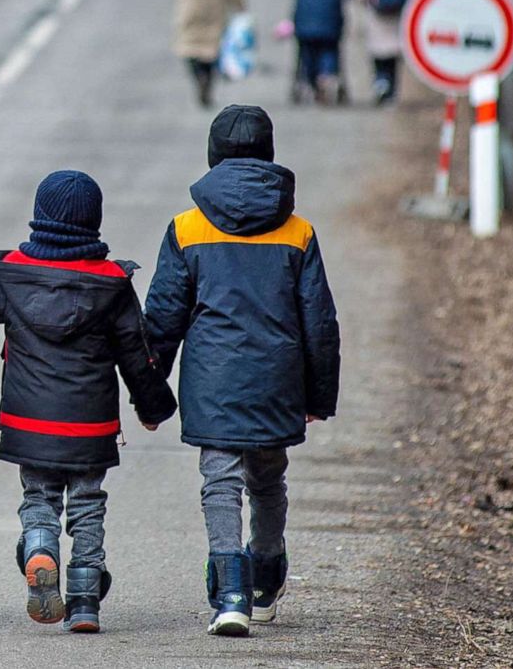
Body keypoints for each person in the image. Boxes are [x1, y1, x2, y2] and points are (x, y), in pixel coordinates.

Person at [143, 105, 341, 637]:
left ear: (213, 155)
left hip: (214, 378)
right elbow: (319, 320)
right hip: (279, 377)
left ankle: (229, 592)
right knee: (268, 478)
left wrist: (149, 391)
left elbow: (163, 317)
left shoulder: (187, 227)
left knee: (221, 481)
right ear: (269, 155)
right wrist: (319, 396)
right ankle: (266, 577)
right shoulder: (298, 231)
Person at [0, 170, 178, 634]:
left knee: (39, 496)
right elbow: (136, 355)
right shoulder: (112, 283)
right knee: (87, 504)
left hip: (28, 422)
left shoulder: (10, 273)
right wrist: (154, 407)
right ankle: (84, 601)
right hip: (90, 426)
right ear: (94, 222)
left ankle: (41, 548)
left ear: (39, 217)